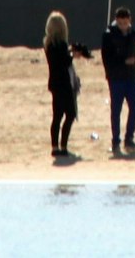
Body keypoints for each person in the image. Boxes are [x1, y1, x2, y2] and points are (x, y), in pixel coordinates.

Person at [99, 7, 135, 156]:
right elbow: (107, 59)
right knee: (116, 110)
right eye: (121, 22)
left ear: (130, 20)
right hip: (116, 78)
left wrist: (133, 65)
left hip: (131, 77)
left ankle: (129, 139)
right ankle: (115, 141)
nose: (124, 25)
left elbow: (134, 54)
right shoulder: (109, 35)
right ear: (116, 21)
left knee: (134, 107)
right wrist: (124, 61)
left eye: (126, 22)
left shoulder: (133, 34)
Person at [43, 11, 82, 159]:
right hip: (63, 84)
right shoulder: (59, 45)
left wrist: (71, 53)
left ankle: (55, 146)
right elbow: (64, 61)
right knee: (70, 114)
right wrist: (73, 55)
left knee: (57, 116)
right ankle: (63, 146)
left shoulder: (49, 44)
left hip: (55, 84)